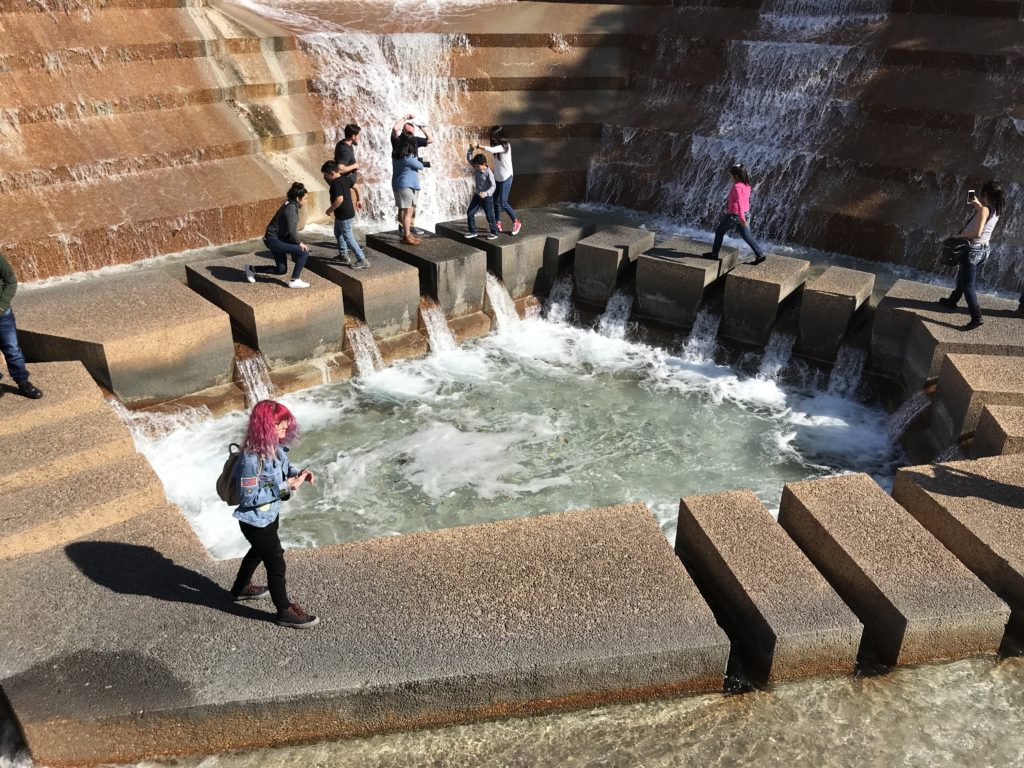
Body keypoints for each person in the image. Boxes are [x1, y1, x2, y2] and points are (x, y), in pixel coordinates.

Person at [229, 399, 318, 629]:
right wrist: (286, 487)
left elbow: (285, 469)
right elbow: (248, 498)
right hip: (254, 521)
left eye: (286, 421)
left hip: (270, 515)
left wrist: (300, 473)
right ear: (265, 425)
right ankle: (284, 611)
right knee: (276, 560)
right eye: (280, 422)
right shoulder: (250, 459)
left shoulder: (275, 448)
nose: (286, 426)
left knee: (259, 551)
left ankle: (241, 588)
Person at [938, 180, 1004, 330]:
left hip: (972, 250)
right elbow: (984, 214)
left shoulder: (985, 210)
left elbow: (976, 233)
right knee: (963, 275)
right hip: (983, 250)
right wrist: (977, 204)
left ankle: (976, 317)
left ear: (985, 194)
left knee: (968, 285)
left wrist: (959, 236)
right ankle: (952, 301)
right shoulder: (996, 209)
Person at [245, 183, 311, 289]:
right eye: (306, 198)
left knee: (281, 270)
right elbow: (292, 230)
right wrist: (299, 243)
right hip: (273, 239)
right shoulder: (291, 208)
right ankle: (294, 280)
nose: (306, 201)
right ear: (298, 198)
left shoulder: (290, 204)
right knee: (304, 251)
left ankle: (251, 269)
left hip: (277, 238)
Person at [0, 251, 42, 400]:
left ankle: (23, 383)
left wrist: (1, 306)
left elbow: (11, 281)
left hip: (2, 316)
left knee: (13, 350)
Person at [705, 163, 766, 265]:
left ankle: (714, 254)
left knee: (719, 231)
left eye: (731, 175)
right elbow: (745, 202)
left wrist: (741, 219)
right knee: (747, 236)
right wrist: (744, 217)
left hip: (735, 215)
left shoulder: (736, 187)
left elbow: (740, 203)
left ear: (736, 176)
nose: (730, 177)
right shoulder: (747, 186)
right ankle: (760, 255)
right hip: (746, 213)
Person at [475, 125, 521, 235]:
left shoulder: (505, 146)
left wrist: (477, 146)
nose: (492, 138)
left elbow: (491, 150)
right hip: (497, 178)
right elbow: (493, 150)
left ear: (499, 136)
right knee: (496, 202)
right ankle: (498, 223)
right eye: (492, 136)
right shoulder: (496, 147)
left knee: (503, 202)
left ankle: (516, 221)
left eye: (494, 136)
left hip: (506, 178)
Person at [321, 161, 367, 269]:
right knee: (338, 233)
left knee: (348, 237)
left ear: (332, 173)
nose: (325, 177)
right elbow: (356, 187)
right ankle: (343, 255)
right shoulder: (345, 178)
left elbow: (339, 200)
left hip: (344, 214)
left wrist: (329, 210)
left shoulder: (336, 183)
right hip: (345, 213)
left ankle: (362, 259)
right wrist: (359, 200)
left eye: (326, 175)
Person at [391, 115, 432, 235]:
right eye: (408, 132)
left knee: (411, 205)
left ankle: (410, 226)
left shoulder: (414, 140)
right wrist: (404, 118)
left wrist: (422, 127)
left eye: (412, 133)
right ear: (403, 132)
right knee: (406, 206)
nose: (411, 135)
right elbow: (394, 129)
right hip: (404, 176)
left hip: (410, 176)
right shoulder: (398, 141)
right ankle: (403, 228)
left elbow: (430, 140)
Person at [392, 134, 424, 246]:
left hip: (402, 185)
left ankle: (408, 235)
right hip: (406, 186)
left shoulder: (397, 155)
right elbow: (420, 166)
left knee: (408, 211)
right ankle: (406, 236)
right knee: (408, 212)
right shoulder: (408, 158)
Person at [464, 149, 498, 240]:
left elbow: (493, 186)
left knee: (489, 216)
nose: (476, 168)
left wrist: (486, 193)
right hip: (477, 195)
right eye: (475, 166)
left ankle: (494, 233)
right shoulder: (477, 167)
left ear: (484, 163)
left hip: (487, 198)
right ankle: (473, 232)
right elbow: (469, 159)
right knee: (470, 213)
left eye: (478, 166)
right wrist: (470, 150)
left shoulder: (488, 173)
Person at [333, 123, 362, 211]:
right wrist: (354, 166)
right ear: (353, 136)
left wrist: (358, 199)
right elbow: (340, 169)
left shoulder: (341, 143)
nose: (359, 138)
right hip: (344, 185)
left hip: (344, 183)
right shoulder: (346, 151)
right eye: (359, 136)